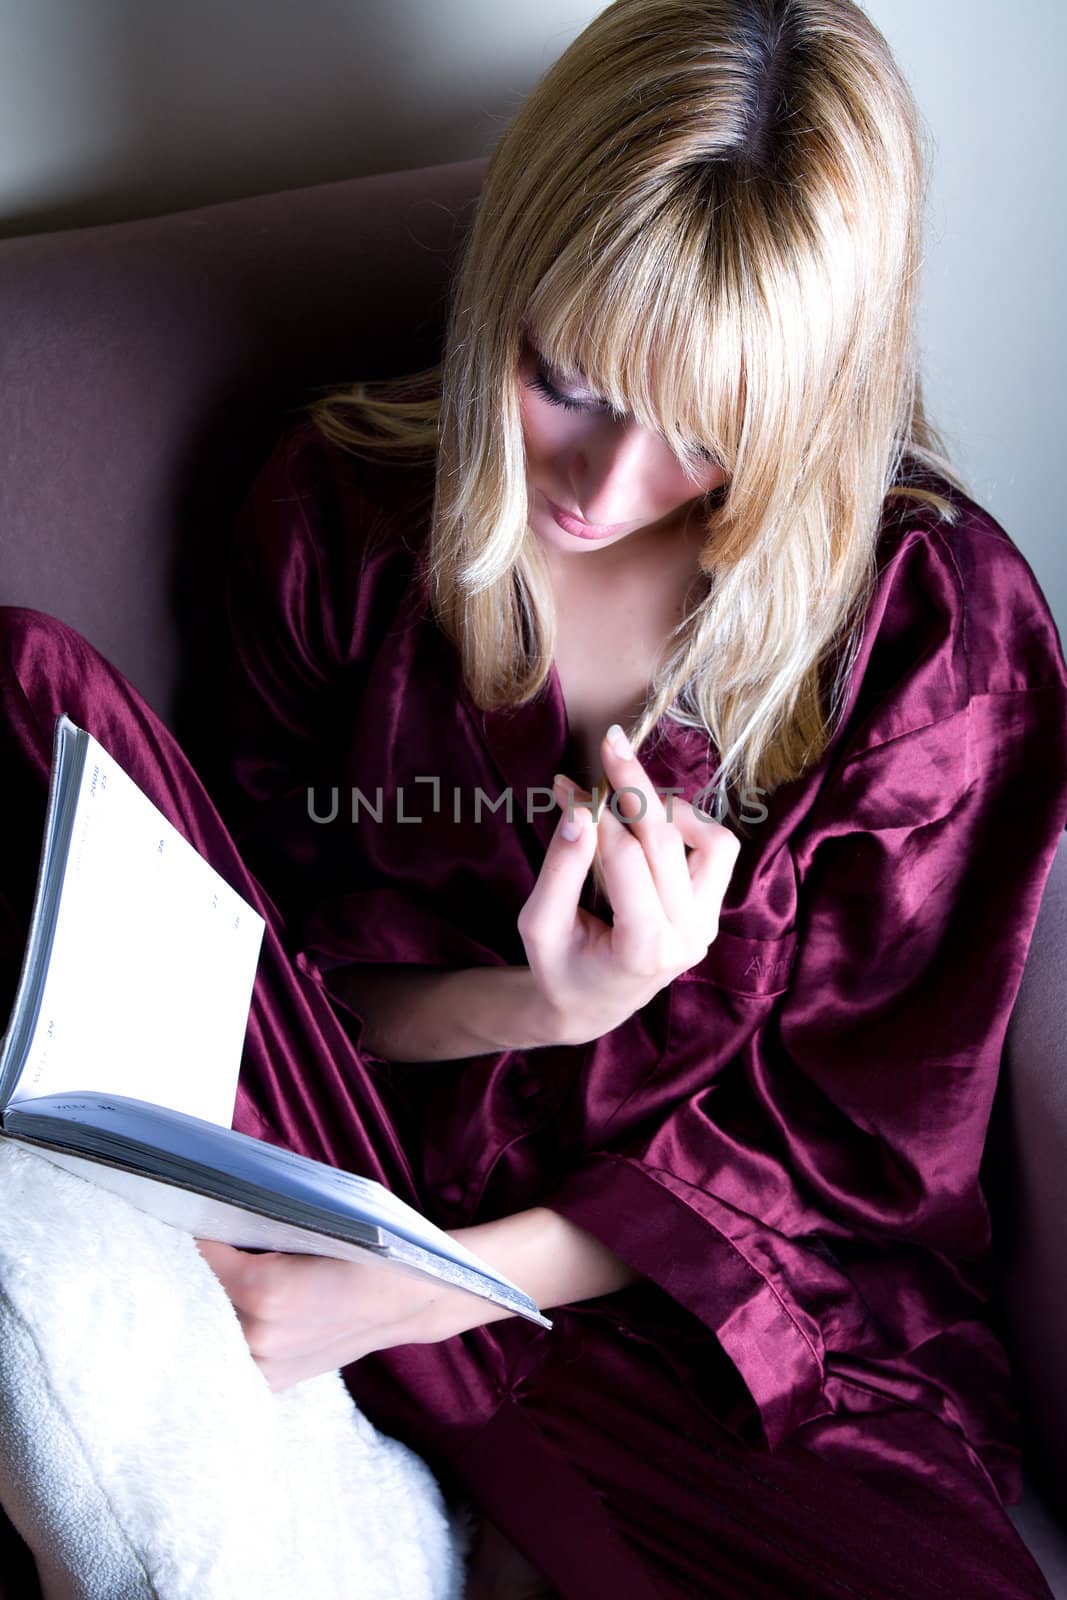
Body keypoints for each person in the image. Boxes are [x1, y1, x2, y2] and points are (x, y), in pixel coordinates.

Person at [2, 1, 1066, 1595]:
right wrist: (540, 1005)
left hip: (701, 1314)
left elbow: (864, 1165)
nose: (602, 488)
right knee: (20, 692)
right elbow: (285, 992)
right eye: (567, 379)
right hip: (359, 1176)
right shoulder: (340, 524)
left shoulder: (935, 634)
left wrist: (430, 1296)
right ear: (508, 281)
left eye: (705, 436)